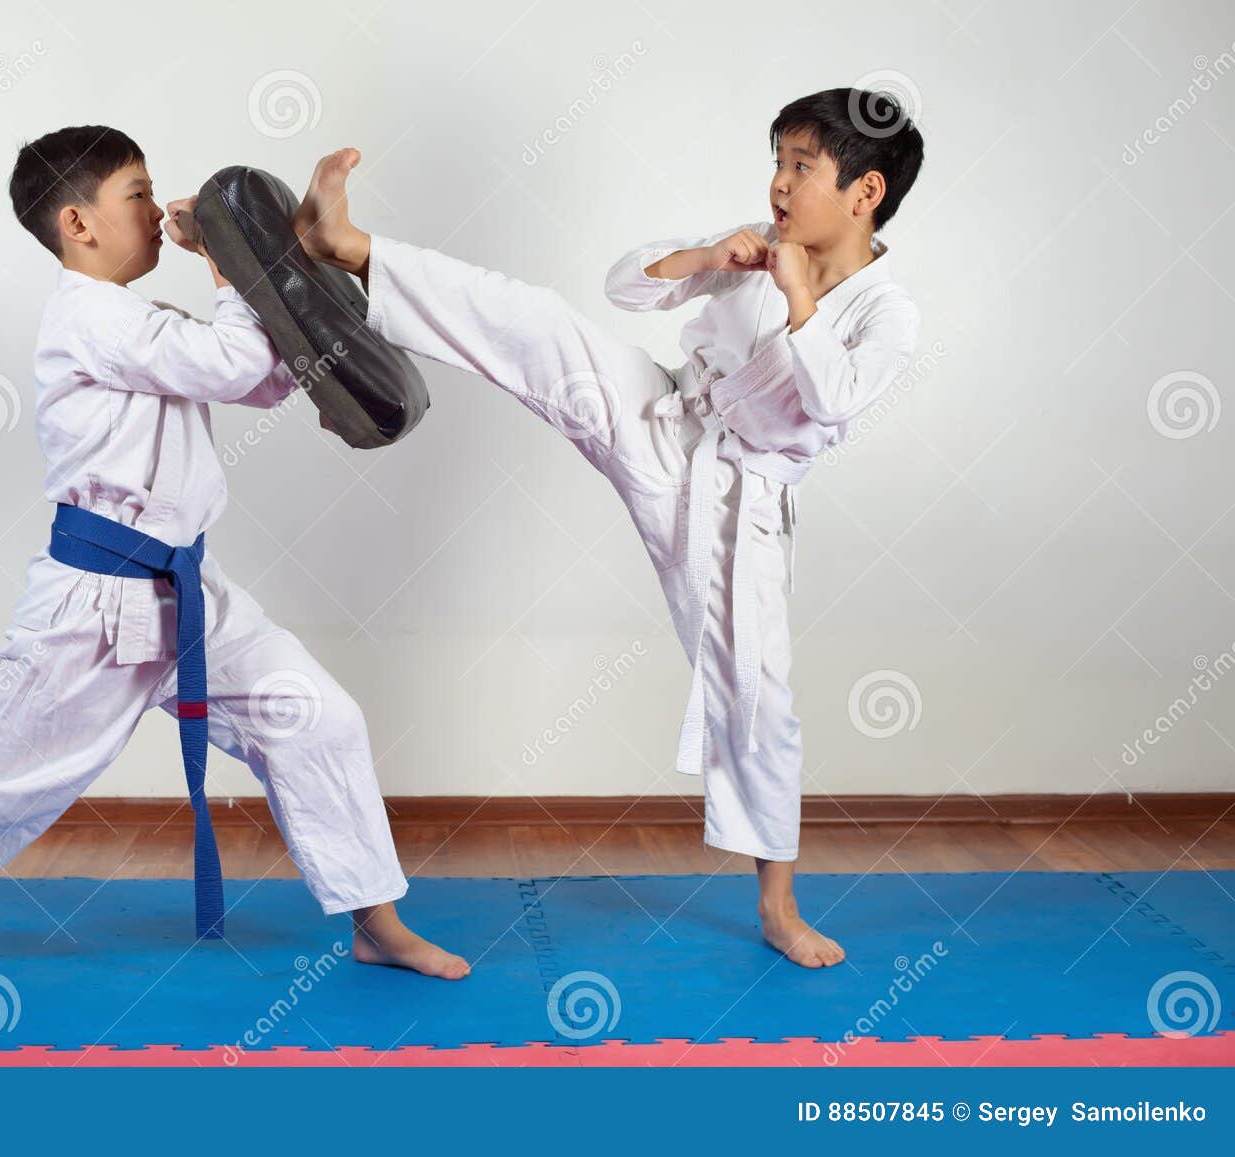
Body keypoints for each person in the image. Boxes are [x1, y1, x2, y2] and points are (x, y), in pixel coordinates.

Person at [0, 125, 470, 986]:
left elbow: (257, 376)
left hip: (191, 592)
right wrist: (234, 258)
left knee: (318, 718)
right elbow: (229, 364)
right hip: (93, 608)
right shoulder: (89, 318)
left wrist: (285, 274)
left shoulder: (136, 318)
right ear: (78, 223)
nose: (157, 210)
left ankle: (376, 922)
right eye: (139, 195)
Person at [291, 88, 924, 967]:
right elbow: (624, 285)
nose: (779, 184)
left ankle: (778, 907)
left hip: (739, 513)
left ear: (865, 194)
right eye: (777, 160)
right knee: (544, 326)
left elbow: (835, 399)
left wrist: (799, 302)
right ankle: (347, 247)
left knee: (760, 704)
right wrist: (710, 254)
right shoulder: (758, 242)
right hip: (667, 415)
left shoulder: (887, 314)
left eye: (801, 168)